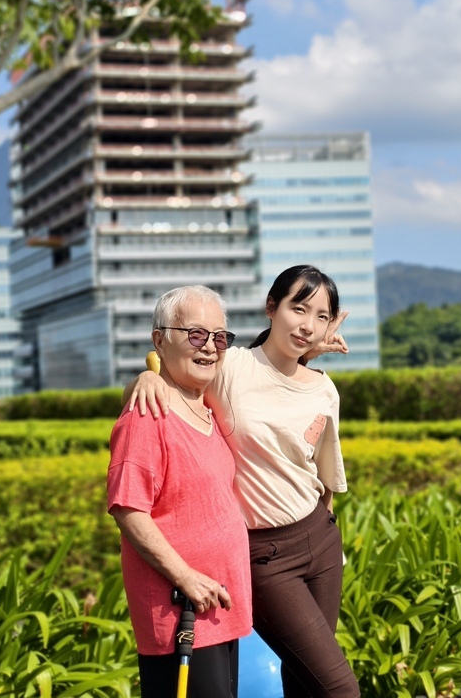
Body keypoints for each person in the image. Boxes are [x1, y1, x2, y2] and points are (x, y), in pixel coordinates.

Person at [125, 265, 360, 698]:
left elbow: (325, 475)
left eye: (322, 316)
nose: (308, 324)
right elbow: (175, 373)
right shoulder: (231, 365)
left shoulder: (325, 390)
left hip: (320, 541)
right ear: (271, 307)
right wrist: (146, 376)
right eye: (298, 308)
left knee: (306, 683)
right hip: (265, 556)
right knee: (338, 689)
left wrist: (326, 531)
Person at [107, 285, 252, 698]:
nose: (209, 347)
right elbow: (127, 508)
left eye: (219, 337)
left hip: (217, 610)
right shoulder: (147, 415)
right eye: (195, 334)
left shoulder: (206, 408)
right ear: (159, 340)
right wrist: (186, 577)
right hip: (180, 612)